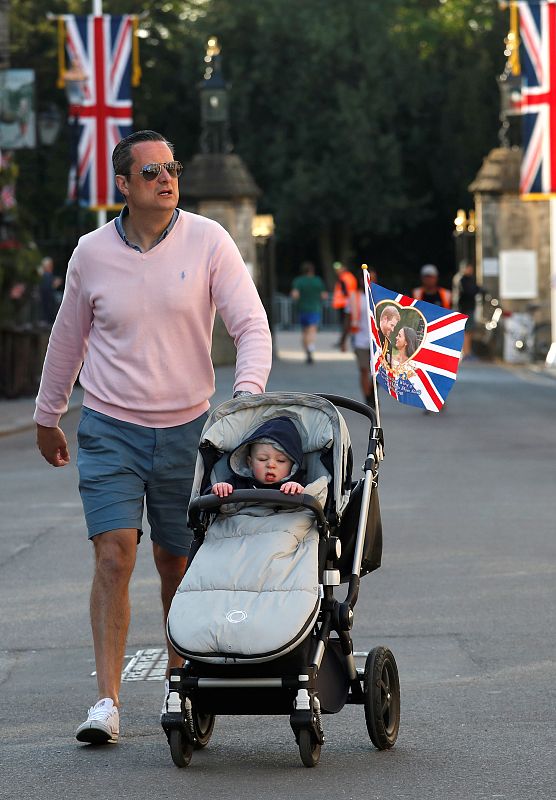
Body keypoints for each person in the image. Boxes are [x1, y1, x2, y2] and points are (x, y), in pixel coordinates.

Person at [33, 130, 272, 745]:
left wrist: (244, 397)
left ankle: (180, 685)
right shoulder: (90, 254)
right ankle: (106, 703)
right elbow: (68, 339)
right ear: (123, 184)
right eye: (151, 172)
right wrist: (47, 413)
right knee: (114, 553)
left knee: (175, 562)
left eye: (173, 168)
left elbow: (251, 325)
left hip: (189, 430)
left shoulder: (210, 240)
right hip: (110, 427)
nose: (167, 179)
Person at [211, 416, 305, 497]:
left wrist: (298, 490)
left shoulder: (295, 484)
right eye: (262, 459)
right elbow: (210, 502)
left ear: (293, 465)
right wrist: (220, 489)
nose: (271, 465)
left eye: (280, 460)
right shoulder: (238, 483)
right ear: (250, 463)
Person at [290, 262, 328, 363]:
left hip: (302, 308)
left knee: (304, 331)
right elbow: (324, 295)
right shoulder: (317, 281)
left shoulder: (298, 281)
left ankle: (307, 351)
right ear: (312, 270)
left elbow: (295, 295)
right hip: (314, 308)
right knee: (312, 330)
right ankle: (311, 348)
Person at [453, 263, 482, 358]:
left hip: (470, 308)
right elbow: (469, 291)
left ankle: (467, 351)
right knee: (466, 331)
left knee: (469, 331)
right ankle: (466, 352)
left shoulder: (469, 279)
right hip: (464, 309)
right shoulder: (461, 280)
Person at [331, 261, 358, 351]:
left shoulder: (346, 278)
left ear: (344, 268)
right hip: (344, 304)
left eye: (339, 268)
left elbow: (349, 293)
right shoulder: (344, 277)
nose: (337, 271)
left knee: (347, 325)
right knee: (346, 325)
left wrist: (351, 306)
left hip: (346, 305)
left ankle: (344, 342)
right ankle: (344, 342)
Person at [38, 256, 63, 325]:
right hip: (48, 298)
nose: (52, 267)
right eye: (50, 265)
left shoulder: (44, 275)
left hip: (47, 298)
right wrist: (55, 284)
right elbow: (48, 288)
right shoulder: (46, 275)